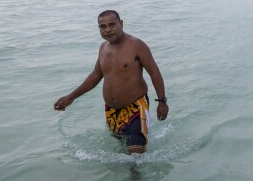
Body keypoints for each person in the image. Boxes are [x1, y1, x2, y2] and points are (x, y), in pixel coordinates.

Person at [54, 10, 168, 154]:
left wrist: (162, 101)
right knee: (121, 152)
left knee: (136, 159)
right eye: (103, 26)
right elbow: (95, 76)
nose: (108, 30)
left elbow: (154, 73)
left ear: (121, 23)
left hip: (135, 108)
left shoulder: (136, 45)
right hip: (112, 111)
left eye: (112, 25)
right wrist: (71, 97)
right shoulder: (103, 48)